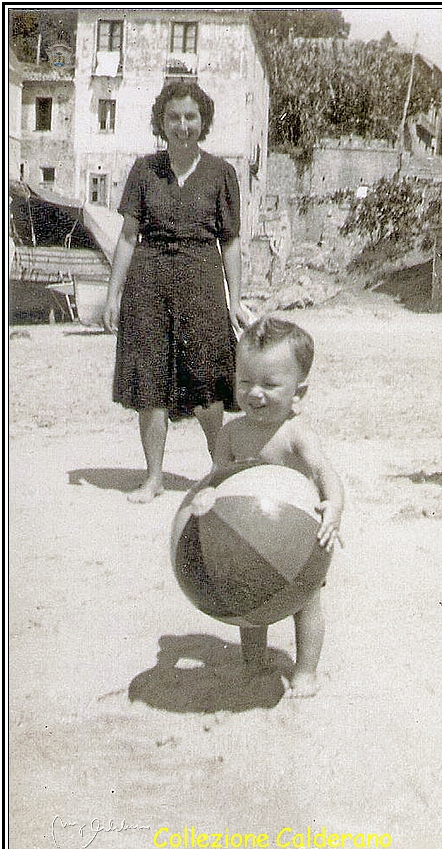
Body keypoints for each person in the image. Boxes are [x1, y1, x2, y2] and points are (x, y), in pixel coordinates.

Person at [103, 81, 249, 502]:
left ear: (203, 121)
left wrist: (234, 299)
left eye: (190, 116)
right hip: (148, 283)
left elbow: (232, 242)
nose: (182, 125)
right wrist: (113, 296)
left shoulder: (222, 173)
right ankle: (154, 478)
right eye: (173, 117)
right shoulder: (144, 170)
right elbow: (128, 236)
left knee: (205, 379)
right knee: (149, 380)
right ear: (161, 122)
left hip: (202, 280)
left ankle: (222, 470)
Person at [212, 316, 344, 697]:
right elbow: (219, 483)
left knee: (307, 602)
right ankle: (254, 661)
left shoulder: (295, 435)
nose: (255, 393)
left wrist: (333, 509)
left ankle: (305, 670)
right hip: (246, 537)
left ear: (298, 394)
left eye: (269, 384)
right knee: (250, 602)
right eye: (245, 382)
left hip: (300, 539)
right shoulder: (231, 435)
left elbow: (326, 475)